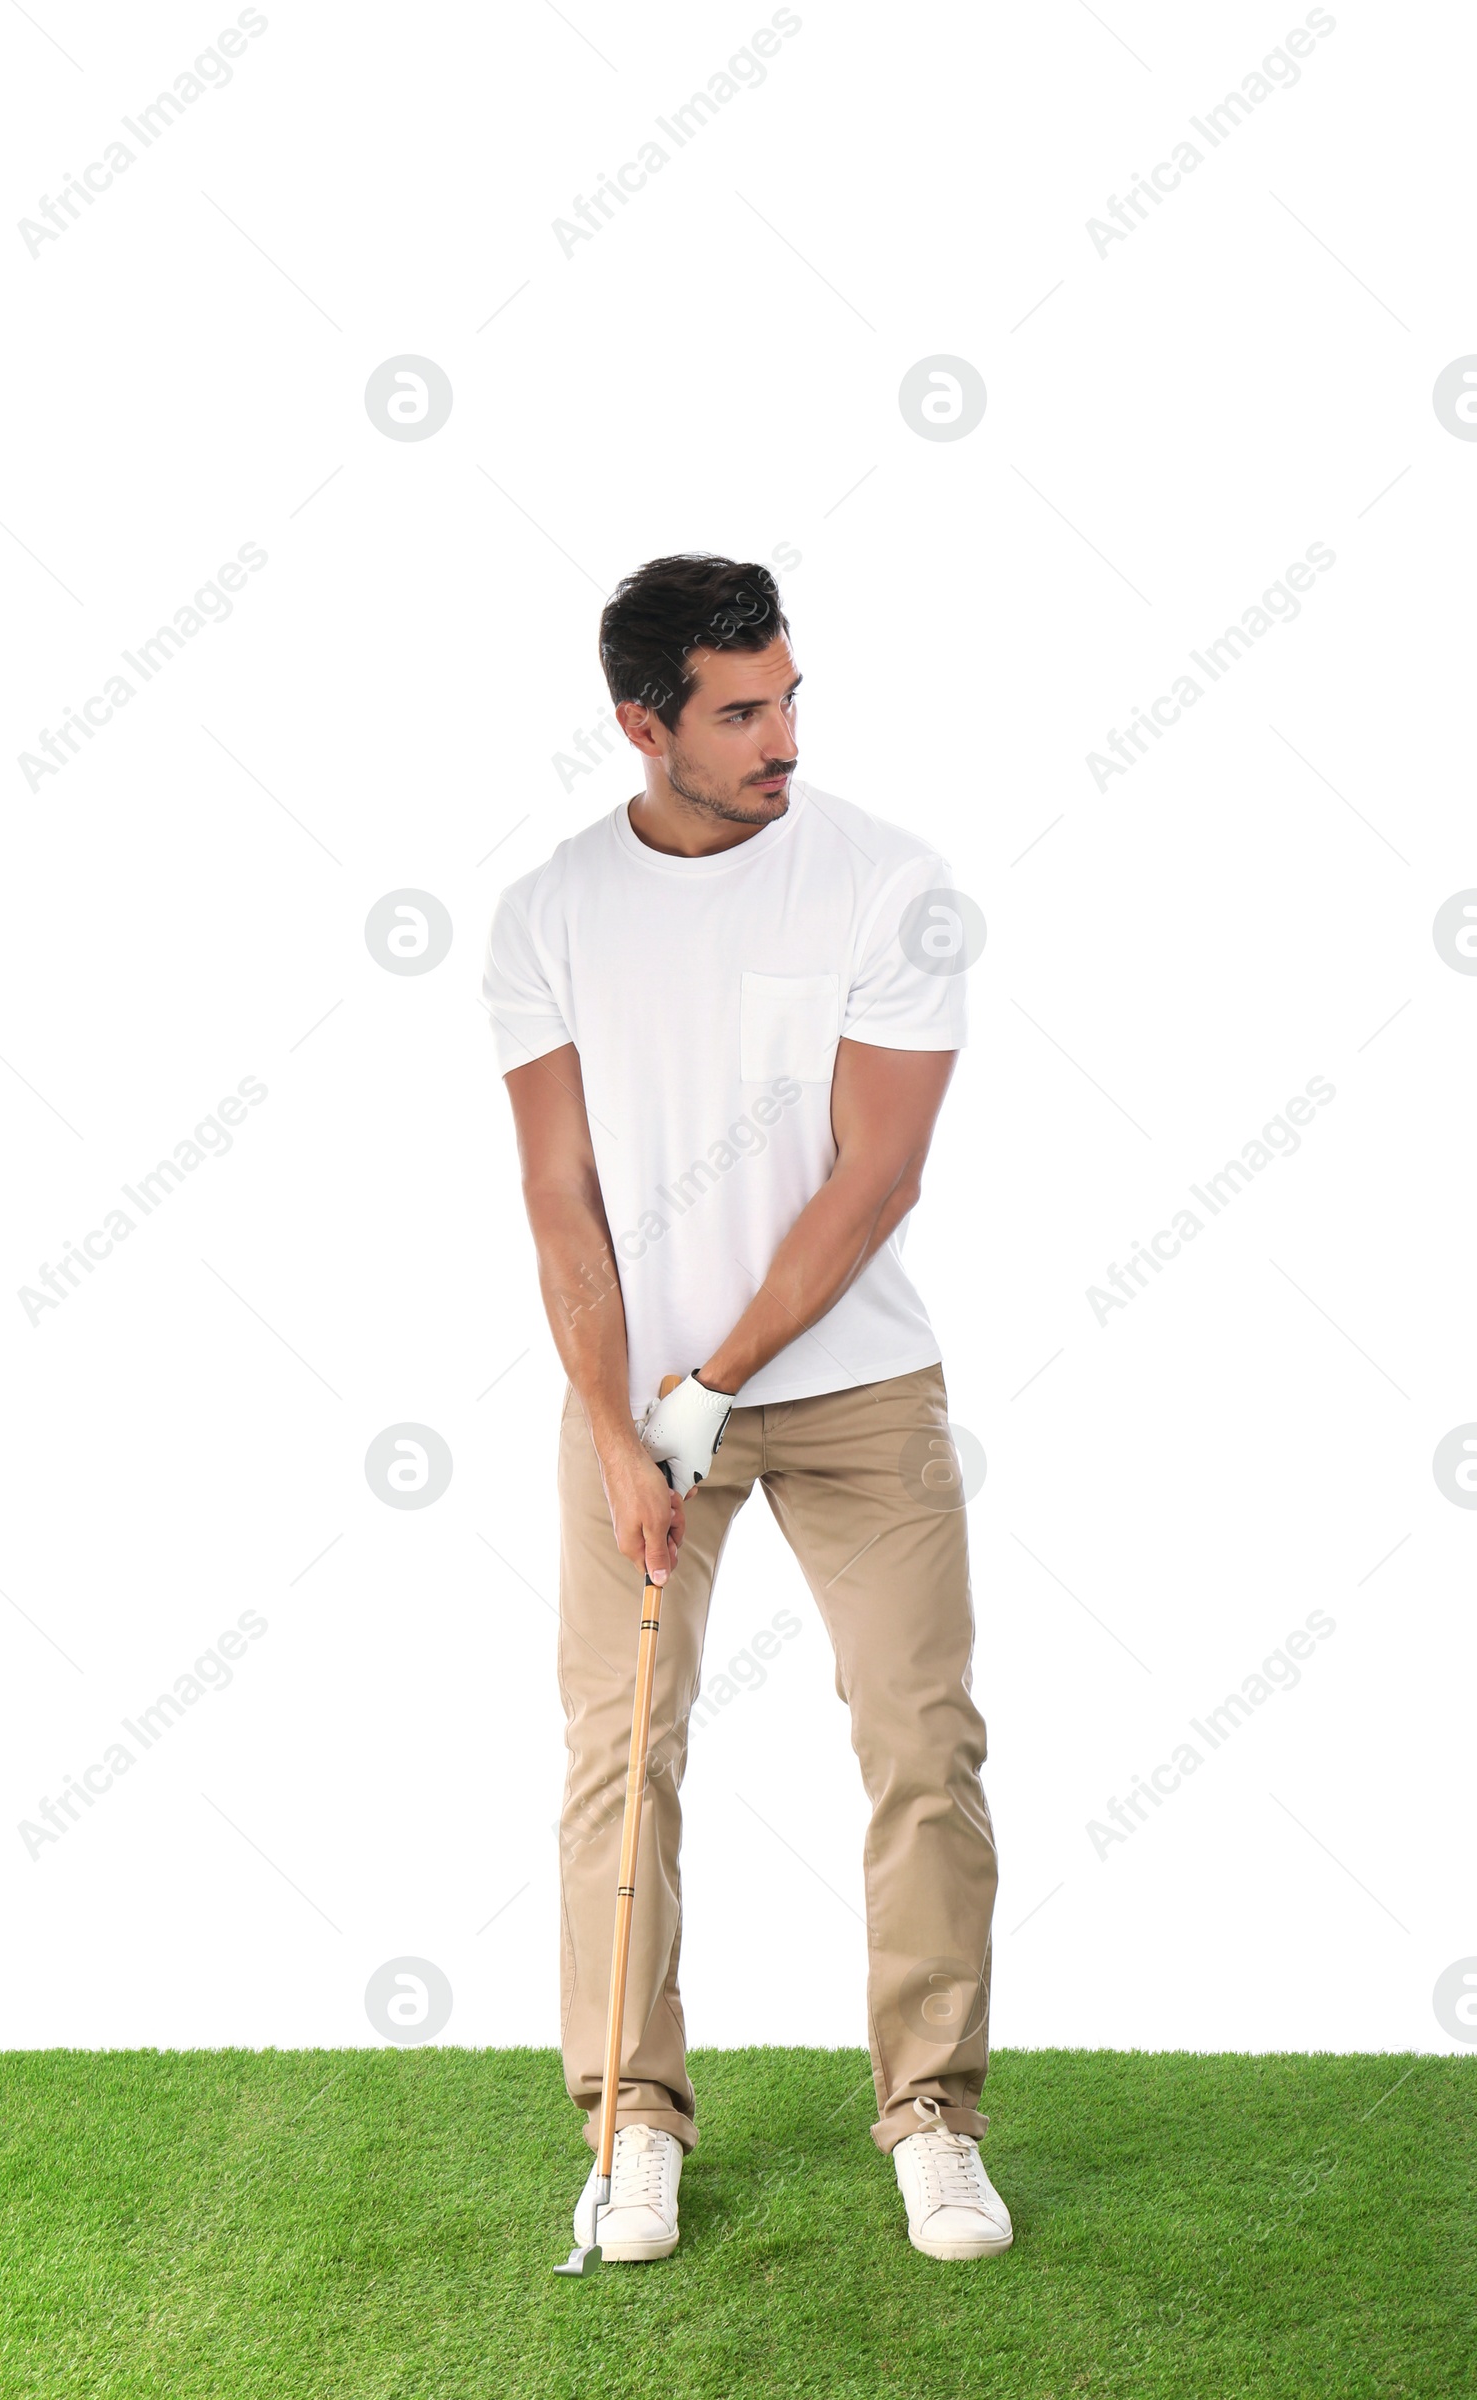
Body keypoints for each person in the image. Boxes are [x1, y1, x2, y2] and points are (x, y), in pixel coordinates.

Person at [482, 552, 1008, 2265]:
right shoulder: (549, 912)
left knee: (920, 1742)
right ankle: (630, 2125)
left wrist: (717, 1386)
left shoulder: (888, 882)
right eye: (740, 709)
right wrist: (629, 1427)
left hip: (856, 1388)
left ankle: (931, 2114)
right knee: (616, 1759)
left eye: (790, 694)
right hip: (629, 1401)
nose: (783, 733)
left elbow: (881, 1172)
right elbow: (561, 1201)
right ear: (643, 725)